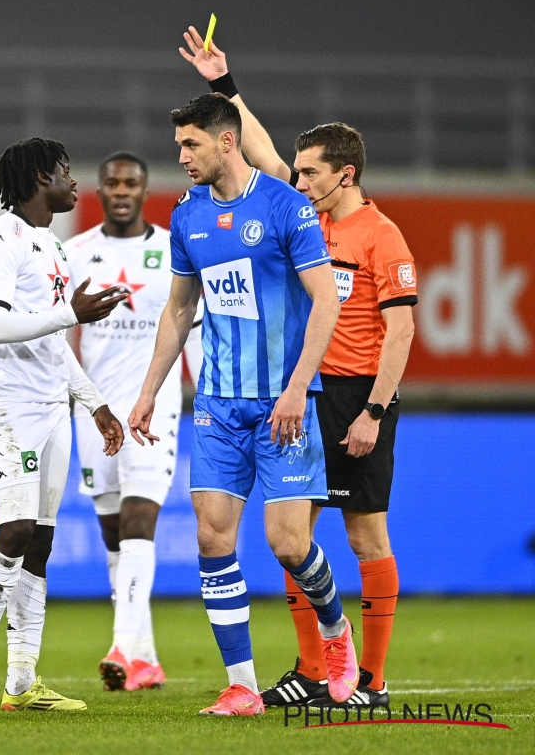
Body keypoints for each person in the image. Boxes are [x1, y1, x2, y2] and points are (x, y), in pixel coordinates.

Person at [181, 26, 416, 709]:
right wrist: (223, 86)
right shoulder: (298, 215)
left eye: (310, 171)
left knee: (366, 533)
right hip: (302, 392)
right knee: (295, 536)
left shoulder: (381, 236)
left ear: (345, 175)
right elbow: (252, 149)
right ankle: (315, 671)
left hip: (358, 396)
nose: (297, 177)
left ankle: (369, 678)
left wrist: (375, 409)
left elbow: (400, 331)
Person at [127, 93, 358, 716]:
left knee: (288, 544)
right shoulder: (187, 215)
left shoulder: (287, 206)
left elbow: (326, 303)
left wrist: (294, 389)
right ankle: (242, 685)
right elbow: (180, 310)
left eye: (191, 145)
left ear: (225, 142)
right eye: (179, 146)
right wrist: (150, 391)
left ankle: (336, 632)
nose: (181, 157)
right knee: (211, 536)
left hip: (284, 402)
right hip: (218, 405)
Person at [0, 137, 127, 713]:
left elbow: (52, 339)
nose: (76, 183)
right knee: (16, 530)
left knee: (42, 542)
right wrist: (71, 312)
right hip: (4, 406)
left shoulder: (53, 245)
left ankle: (22, 681)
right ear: (37, 179)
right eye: (65, 171)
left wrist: (93, 402)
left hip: (54, 408)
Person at [64, 152, 203, 692]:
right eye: (112, 182)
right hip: (94, 412)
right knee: (114, 536)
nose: (122, 190)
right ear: (99, 190)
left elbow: (195, 324)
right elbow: (59, 335)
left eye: (132, 182)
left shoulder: (175, 248)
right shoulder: (74, 254)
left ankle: (123, 644)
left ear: (146, 190)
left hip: (155, 405)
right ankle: (143, 656)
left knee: (141, 516)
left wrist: (203, 394)